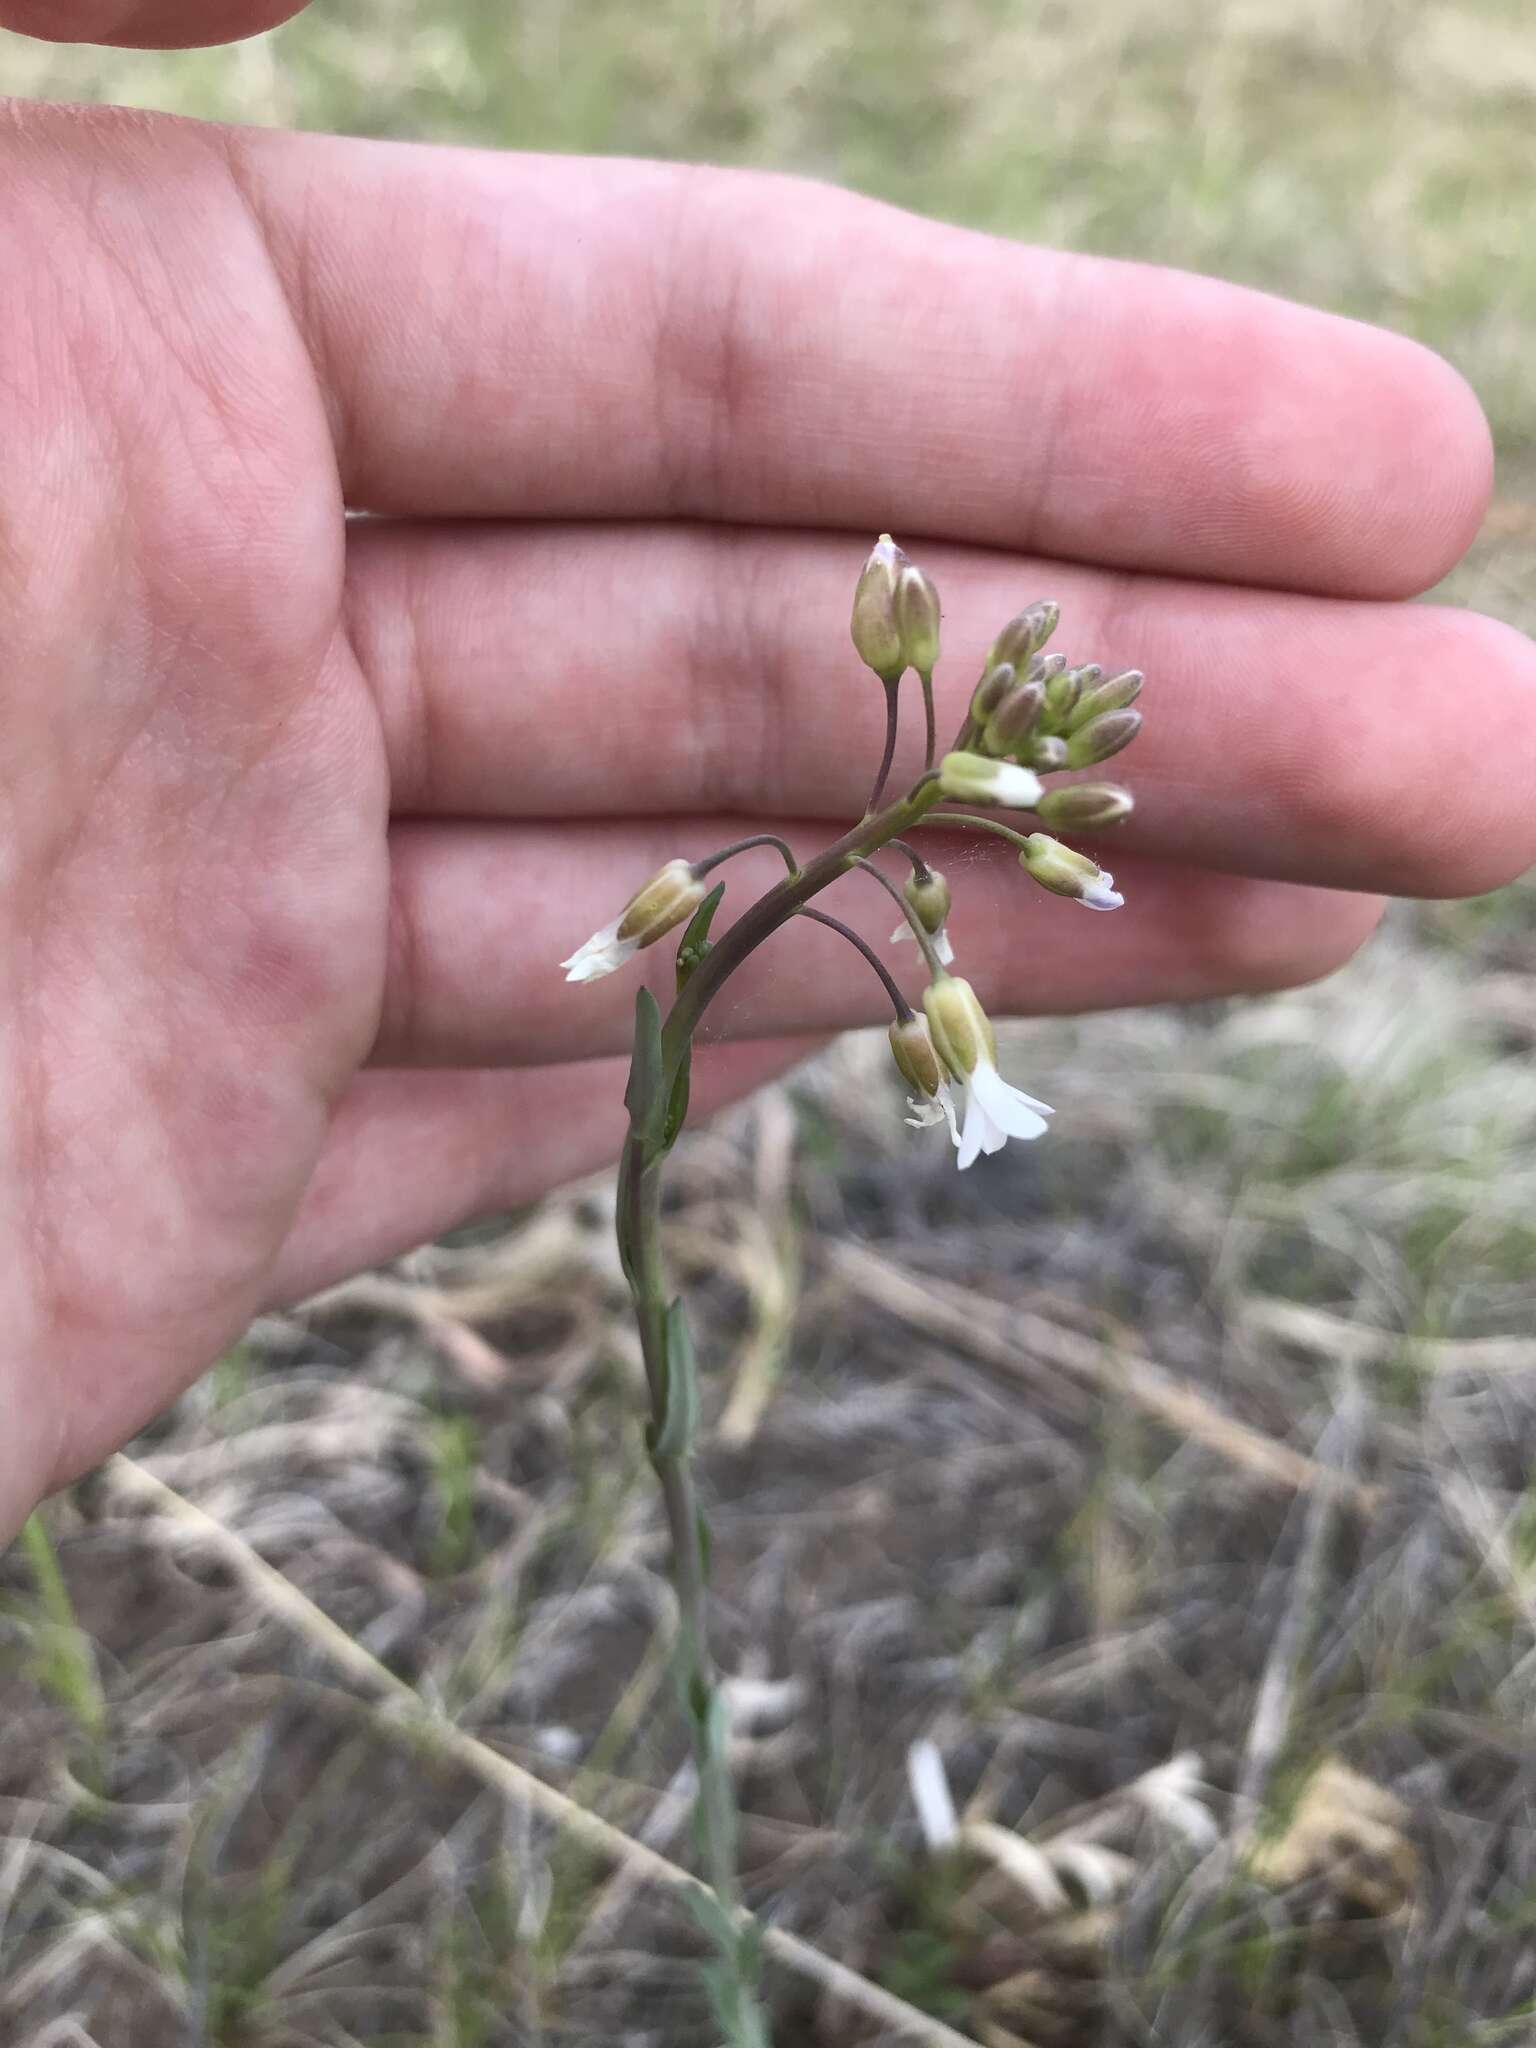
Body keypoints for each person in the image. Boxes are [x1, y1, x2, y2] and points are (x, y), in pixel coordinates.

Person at [1, 0, 1532, 1547]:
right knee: (736, 974)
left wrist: (976, 879)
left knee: (836, 980)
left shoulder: (932, 872)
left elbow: (937, 835)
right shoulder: (894, 812)